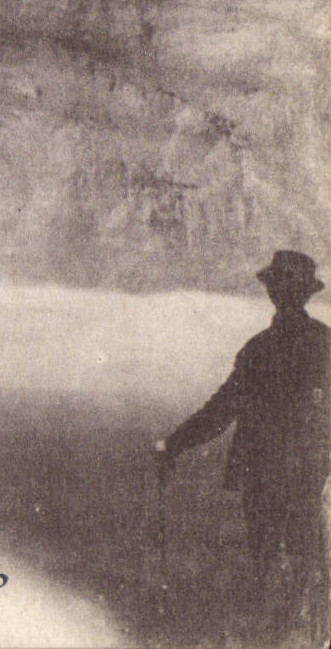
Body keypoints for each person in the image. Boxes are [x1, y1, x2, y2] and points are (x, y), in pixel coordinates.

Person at [154, 250, 330, 629]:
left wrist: (174, 444)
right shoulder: (324, 343)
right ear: (305, 293)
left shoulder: (259, 349)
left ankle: (271, 631)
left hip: (263, 471)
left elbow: (220, 411)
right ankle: (297, 630)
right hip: (310, 471)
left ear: (274, 293)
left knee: (266, 556)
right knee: (306, 558)